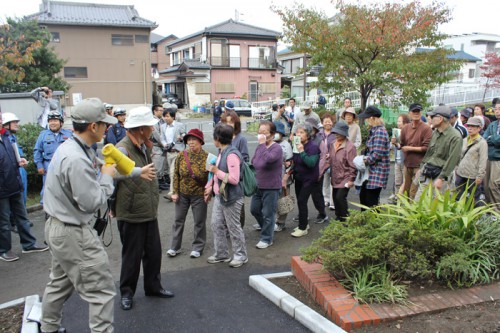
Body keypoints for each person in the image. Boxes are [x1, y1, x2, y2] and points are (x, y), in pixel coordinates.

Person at [40, 98, 119, 333]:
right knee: (101, 291)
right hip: (73, 232)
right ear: (94, 126)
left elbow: (102, 168)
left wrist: (133, 172)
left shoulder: (70, 147)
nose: (108, 128)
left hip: (56, 227)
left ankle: (48, 328)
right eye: (105, 123)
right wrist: (106, 177)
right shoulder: (76, 159)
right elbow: (92, 202)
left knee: (60, 283)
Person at [114, 106, 173, 312]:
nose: (153, 129)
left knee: (153, 253)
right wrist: (136, 172)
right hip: (130, 212)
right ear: (140, 128)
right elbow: (109, 173)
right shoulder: (122, 148)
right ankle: (126, 293)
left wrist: (148, 147)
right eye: (150, 126)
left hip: (147, 209)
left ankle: (153, 286)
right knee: (132, 256)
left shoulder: (143, 146)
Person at [1, 111, 48, 263]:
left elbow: (10, 159)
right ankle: (5, 250)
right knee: (4, 222)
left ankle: (28, 244)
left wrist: (18, 161)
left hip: (14, 184)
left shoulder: (7, 137)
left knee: (22, 217)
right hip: (2, 188)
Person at [204, 123, 248, 268]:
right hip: (220, 196)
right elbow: (216, 175)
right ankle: (221, 253)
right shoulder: (222, 151)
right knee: (216, 224)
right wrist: (210, 186)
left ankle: (241, 255)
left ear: (217, 138)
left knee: (233, 227)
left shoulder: (232, 154)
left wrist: (217, 171)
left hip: (232, 197)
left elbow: (234, 179)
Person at [167, 129, 209, 258]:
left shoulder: (207, 157)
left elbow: (211, 176)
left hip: (199, 194)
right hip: (183, 194)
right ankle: (175, 247)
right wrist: (174, 192)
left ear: (201, 141)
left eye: (194, 139)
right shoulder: (181, 155)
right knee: (178, 220)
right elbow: (176, 175)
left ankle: (198, 247)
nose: (191, 142)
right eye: (189, 140)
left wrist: (210, 190)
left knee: (199, 221)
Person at [414, 105, 462, 201]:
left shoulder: (455, 136)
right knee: (418, 201)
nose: (430, 119)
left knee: (436, 206)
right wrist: (422, 167)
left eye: (432, 117)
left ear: (440, 119)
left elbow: (452, 160)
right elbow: (429, 152)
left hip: (441, 175)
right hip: (428, 171)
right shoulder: (435, 132)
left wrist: (441, 178)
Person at [250, 121, 283, 249]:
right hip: (259, 184)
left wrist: (263, 145)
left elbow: (268, 159)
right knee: (254, 209)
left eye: (264, 133)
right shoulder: (260, 147)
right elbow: (255, 161)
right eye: (260, 133)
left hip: (271, 186)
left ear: (272, 134)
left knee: (268, 213)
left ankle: (267, 238)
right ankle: (268, 228)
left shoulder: (276, 148)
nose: (261, 135)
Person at [34, 111, 72, 206]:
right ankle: (48, 210)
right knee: (48, 189)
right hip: (49, 166)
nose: (52, 123)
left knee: (67, 188)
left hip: (65, 165)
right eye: (50, 121)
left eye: (55, 120)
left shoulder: (69, 134)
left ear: (61, 123)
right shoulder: (43, 135)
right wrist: (39, 165)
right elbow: (37, 151)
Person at [290, 123, 321, 237]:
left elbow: (311, 163)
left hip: (309, 178)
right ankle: (304, 224)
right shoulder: (296, 144)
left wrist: (302, 151)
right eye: (297, 132)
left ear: (308, 135)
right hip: (299, 177)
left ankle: (303, 228)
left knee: (302, 201)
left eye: (302, 132)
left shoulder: (313, 146)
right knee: (300, 201)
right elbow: (295, 160)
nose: (298, 134)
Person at [357, 106, 391, 208]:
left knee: (370, 203)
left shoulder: (379, 132)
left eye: (367, 118)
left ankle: (373, 223)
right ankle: (367, 222)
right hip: (372, 172)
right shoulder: (375, 130)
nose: (366, 120)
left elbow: (376, 154)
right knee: (364, 198)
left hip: (377, 172)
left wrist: (362, 161)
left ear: (372, 118)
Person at [398, 103, 433, 199]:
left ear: (421, 113)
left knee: (415, 192)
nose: (416, 113)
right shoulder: (406, 128)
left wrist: (410, 148)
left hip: (420, 165)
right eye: (414, 111)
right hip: (407, 164)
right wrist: (395, 144)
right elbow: (401, 144)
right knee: (405, 190)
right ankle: (405, 212)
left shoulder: (426, 129)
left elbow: (427, 148)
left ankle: (413, 212)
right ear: (409, 113)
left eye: (418, 111)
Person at [2, 112, 29, 233]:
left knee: (21, 200)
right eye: (14, 122)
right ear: (6, 124)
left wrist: (20, 159)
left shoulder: (12, 137)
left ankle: (20, 225)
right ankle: (13, 223)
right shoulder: (5, 138)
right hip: (7, 178)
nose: (17, 124)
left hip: (18, 172)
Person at [326, 122, 357, 221]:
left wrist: (351, 179)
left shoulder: (350, 147)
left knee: (340, 197)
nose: (336, 134)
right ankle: (338, 216)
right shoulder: (332, 144)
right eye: (335, 132)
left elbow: (353, 165)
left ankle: (345, 218)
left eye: (339, 132)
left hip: (346, 177)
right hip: (335, 176)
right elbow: (330, 160)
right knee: (335, 198)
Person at [455, 116, 487, 205]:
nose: (470, 128)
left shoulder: (482, 142)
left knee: (475, 197)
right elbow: (459, 156)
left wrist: (480, 176)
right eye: (468, 126)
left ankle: (477, 216)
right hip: (461, 173)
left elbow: (483, 160)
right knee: (458, 196)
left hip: (473, 175)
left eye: (473, 126)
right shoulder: (465, 140)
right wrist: (457, 168)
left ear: (479, 128)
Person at [271, 121, 293, 232]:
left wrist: (285, 178)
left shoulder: (286, 145)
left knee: (282, 200)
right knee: (272, 201)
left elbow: (290, 163)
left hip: (283, 177)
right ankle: (270, 221)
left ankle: (281, 223)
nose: (275, 134)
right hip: (271, 178)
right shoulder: (269, 143)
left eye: (277, 132)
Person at [161, 108, 186, 201]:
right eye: (164, 116)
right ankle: (178, 190)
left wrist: (181, 137)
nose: (166, 118)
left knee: (172, 172)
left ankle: (172, 192)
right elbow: (162, 138)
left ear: (173, 117)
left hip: (178, 151)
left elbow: (184, 134)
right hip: (168, 152)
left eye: (167, 116)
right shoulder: (163, 126)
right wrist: (165, 144)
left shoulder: (179, 125)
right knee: (174, 173)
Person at [483, 100, 500, 213]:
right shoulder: (493, 124)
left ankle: (497, 210)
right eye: (496, 109)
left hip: (498, 159)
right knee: (486, 185)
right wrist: (493, 139)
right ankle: (490, 210)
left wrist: (492, 138)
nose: (497, 111)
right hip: (489, 157)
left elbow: (498, 141)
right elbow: (484, 138)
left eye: (499, 109)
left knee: (494, 185)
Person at [389, 114, 411, 202]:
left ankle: (404, 200)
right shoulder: (396, 132)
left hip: (405, 161)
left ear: (405, 123)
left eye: (399, 121)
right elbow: (391, 147)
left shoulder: (408, 132)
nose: (398, 123)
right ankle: (397, 199)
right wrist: (392, 142)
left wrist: (396, 144)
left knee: (405, 182)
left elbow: (404, 147)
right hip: (397, 160)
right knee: (397, 181)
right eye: (397, 121)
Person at [319, 114, 337, 210]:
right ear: (322, 123)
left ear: (332, 122)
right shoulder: (319, 133)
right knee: (324, 180)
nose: (327, 123)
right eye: (325, 121)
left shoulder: (335, 133)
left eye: (329, 121)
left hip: (333, 160)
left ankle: (332, 201)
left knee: (332, 181)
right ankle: (325, 199)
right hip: (322, 160)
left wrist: (330, 154)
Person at [151, 104, 168, 191]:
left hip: (162, 146)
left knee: (162, 165)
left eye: (162, 110)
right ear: (155, 111)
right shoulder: (153, 122)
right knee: (157, 165)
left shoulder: (161, 120)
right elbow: (157, 135)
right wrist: (164, 143)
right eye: (160, 110)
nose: (162, 112)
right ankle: (155, 185)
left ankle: (161, 181)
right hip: (156, 146)